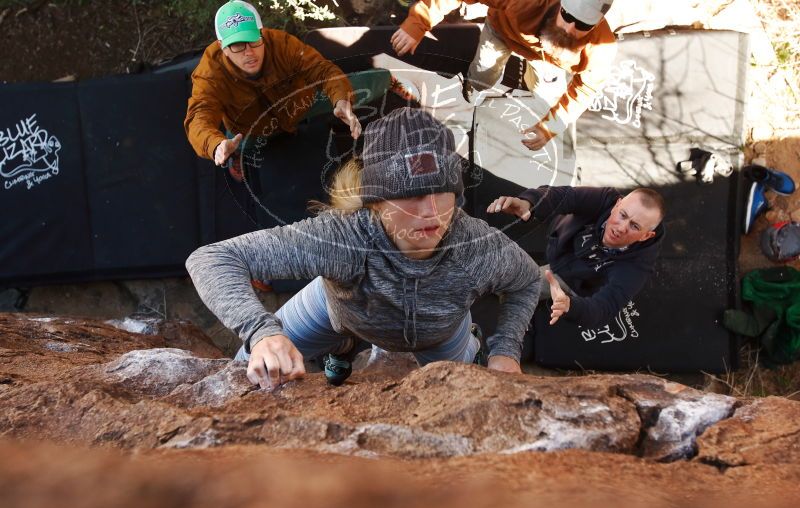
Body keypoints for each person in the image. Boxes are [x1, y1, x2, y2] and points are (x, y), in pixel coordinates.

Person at [186, 108, 541, 391]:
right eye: (412, 195)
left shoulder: (476, 247)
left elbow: (526, 280)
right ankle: (340, 346)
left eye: (441, 192)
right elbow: (212, 258)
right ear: (376, 201)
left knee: (470, 396)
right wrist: (261, 332)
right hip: (339, 310)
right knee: (247, 370)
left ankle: (468, 345)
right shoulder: (345, 237)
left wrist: (506, 351)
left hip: (440, 333)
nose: (431, 211)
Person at [391, 0, 617, 151]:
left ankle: (533, 90)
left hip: (548, 59)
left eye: (583, 24)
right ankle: (471, 93)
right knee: (484, 73)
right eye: (567, 16)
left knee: (545, 101)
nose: (570, 29)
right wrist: (417, 23)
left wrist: (552, 126)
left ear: (596, 25)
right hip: (502, 32)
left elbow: (585, 88)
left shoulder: (601, 47)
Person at [184, 0, 361, 181]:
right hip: (250, 129)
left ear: (262, 33)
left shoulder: (282, 44)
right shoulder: (210, 73)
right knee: (232, 143)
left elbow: (322, 70)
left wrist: (341, 100)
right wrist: (215, 145)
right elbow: (199, 117)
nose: (249, 52)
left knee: (349, 90)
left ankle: (387, 81)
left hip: (300, 107)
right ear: (223, 47)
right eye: (237, 45)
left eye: (253, 40)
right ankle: (234, 154)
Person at [487, 185, 664, 328]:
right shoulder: (604, 198)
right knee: (492, 276)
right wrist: (529, 203)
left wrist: (570, 306)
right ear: (616, 205)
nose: (621, 227)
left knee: (515, 287)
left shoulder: (637, 265)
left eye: (634, 226)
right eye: (622, 215)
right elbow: (565, 196)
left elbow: (604, 308)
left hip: (575, 282)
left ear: (645, 236)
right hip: (560, 247)